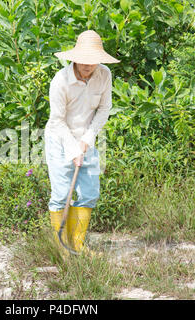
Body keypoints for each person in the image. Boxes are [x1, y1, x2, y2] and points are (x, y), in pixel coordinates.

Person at [44, 30, 119, 254]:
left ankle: (77, 245)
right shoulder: (60, 81)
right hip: (60, 140)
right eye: (84, 59)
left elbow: (104, 109)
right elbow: (57, 121)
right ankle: (61, 248)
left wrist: (86, 139)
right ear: (75, 57)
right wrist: (73, 149)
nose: (88, 65)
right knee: (60, 195)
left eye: (93, 60)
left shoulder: (104, 75)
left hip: (87, 138)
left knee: (89, 193)